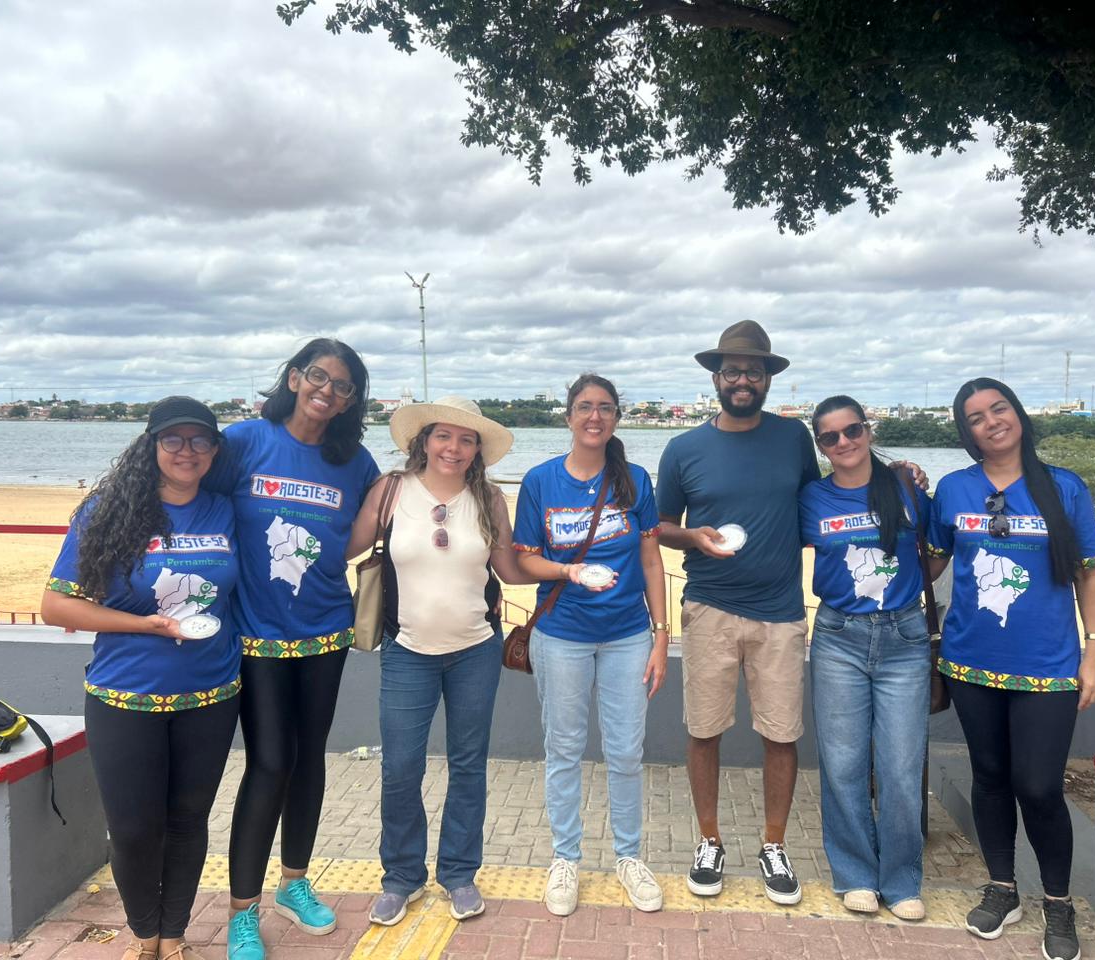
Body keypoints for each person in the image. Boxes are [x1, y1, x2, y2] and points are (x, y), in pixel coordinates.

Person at [41, 397, 239, 960]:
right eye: (173, 440)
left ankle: (174, 939)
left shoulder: (225, 511)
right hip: (123, 695)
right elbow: (56, 607)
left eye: (200, 441)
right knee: (132, 829)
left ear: (213, 450)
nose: (187, 451)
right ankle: (142, 936)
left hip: (212, 694)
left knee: (187, 823)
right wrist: (144, 625)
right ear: (150, 447)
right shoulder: (109, 511)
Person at [927, 377, 1095, 960]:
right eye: (976, 417)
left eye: (998, 408)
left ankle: (1058, 901)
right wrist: (895, 492)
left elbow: (1089, 573)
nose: (991, 422)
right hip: (971, 662)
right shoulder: (954, 489)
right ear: (966, 431)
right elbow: (928, 562)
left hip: (1048, 668)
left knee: (1039, 786)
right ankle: (1002, 886)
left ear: (1018, 414)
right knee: (989, 777)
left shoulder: (1064, 488)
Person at [212, 340, 380, 960]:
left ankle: (295, 882)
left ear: (352, 400)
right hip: (256, 636)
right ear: (293, 377)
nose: (328, 391)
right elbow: (195, 501)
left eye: (344, 386)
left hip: (326, 632)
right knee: (270, 763)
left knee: (310, 760)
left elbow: (360, 536)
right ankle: (242, 912)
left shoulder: (354, 461)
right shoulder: (245, 442)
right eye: (319, 377)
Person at [346, 397, 530, 926]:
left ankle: (458, 874)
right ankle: (401, 876)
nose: (454, 447)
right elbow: (345, 546)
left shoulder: (490, 498)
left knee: (468, 766)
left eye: (466, 439)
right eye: (444, 436)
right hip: (407, 652)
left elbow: (510, 569)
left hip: (476, 649)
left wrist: (569, 569)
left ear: (477, 450)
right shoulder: (390, 492)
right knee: (400, 767)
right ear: (423, 440)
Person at [655, 320, 821, 906]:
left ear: (768, 378)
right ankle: (709, 840)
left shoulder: (793, 438)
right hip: (709, 609)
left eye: (753, 370)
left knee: (782, 734)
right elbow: (660, 525)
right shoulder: (683, 448)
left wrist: (897, 477)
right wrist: (691, 538)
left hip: (779, 612)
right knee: (704, 730)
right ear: (715, 377)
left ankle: (774, 844)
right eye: (732, 370)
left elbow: (823, 499)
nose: (742, 379)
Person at [513, 373, 670, 917]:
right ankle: (565, 858)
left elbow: (652, 560)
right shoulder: (540, 481)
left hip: (628, 635)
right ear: (568, 416)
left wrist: (660, 635)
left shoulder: (635, 480)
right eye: (585, 407)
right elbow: (525, 558)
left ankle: (629, 856)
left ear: (616, 417)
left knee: (626, 750)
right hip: (562, 636)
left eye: (605, 408)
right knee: (563, 749)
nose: (595, 416)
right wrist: (569, 570)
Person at [799, 396, 930, 921]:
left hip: (904, 637)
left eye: (851, 430)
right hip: (838, 636)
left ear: (868, 430)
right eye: (829, 437)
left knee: (900, 766)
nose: (843, 443)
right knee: (843, 762)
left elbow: (937, 551)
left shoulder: (905, 488)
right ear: (820, 446)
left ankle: (901, 880)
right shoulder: (812, 498)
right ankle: (854, 873)